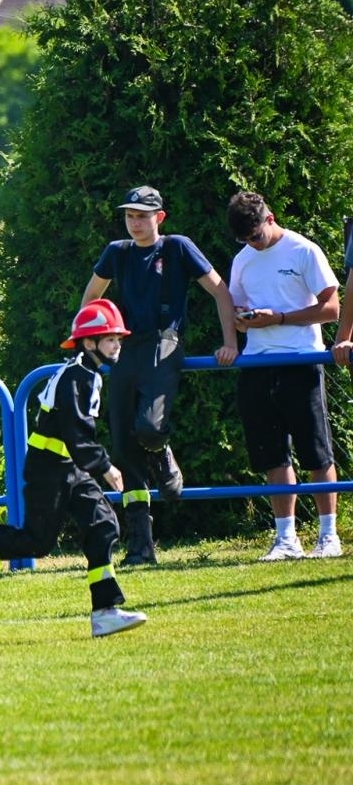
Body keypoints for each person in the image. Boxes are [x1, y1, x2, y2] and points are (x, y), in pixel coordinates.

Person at [0, 299, 148, 638]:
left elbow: (75, 440)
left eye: (118, 339)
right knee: (35, 541)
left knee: (103, 524)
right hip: (50, 468)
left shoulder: (86, 373)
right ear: (89, 343)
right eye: (110, 339)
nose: (117, 345)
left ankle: (105, 611)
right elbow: (76, 432)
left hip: (69, 467)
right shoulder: (77, 377)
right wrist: (106, 467)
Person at [81, 185, 239, 566]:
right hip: (123, 349)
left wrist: (230, 342)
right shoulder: (116, 252)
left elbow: (221, 291)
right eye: (130, 216)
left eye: (142, 215)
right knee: (123, 447)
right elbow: (90, 301)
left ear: (160, 218)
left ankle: (162, 450)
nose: (135, 222)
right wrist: (94, 345)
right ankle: (141, 546)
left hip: (165, 342)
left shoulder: (178, 247)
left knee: (151, 428)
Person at [226, 192, 341, 560]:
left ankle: (328, 536)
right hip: (257, 363)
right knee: (271, 455)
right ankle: (286, 540)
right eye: (245, 239)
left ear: (270, 218)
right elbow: (236, 315)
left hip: (301, 359)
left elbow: (333, 308)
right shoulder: (241, 260)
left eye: (256, 236)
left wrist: (279, 318)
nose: (252, 244)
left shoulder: (304, 250)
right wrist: (244, 318)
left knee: (316, 453)